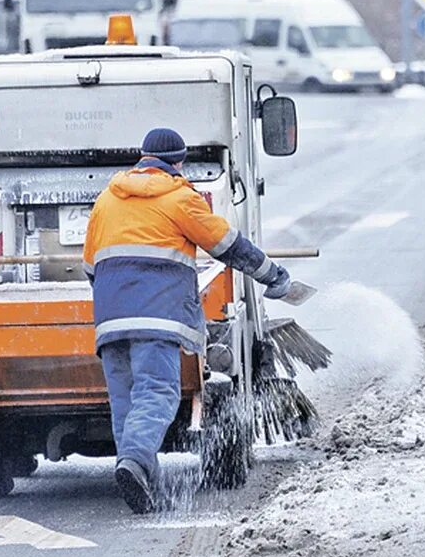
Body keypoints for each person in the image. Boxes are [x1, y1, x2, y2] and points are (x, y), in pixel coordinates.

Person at [82, 128, 292, 513]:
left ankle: (142, 480)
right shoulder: (180, 198)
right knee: (157, 392)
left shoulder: (107, 200)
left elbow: (90, 266)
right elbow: (227, 245)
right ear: (178, 163)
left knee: (125, 401)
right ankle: (135, 462)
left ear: (142, 158)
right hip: (158, 316)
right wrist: (273, 275)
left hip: (109, 320)